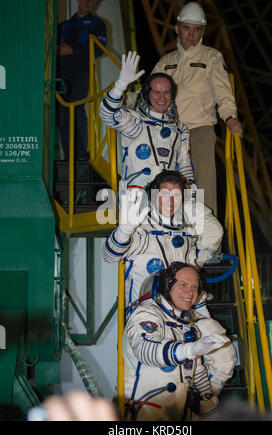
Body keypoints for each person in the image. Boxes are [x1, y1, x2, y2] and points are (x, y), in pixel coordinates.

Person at [152, 2, 243, 214]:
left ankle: (207, 240)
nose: (191, 34)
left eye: (196, 29)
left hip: (199, 129)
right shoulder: (165, 62)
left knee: (203, 187)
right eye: (186, 28)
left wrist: (229, 117)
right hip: (169, 132)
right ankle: (168, 234)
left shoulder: (212, 57)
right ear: (177, 28)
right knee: (166, 184)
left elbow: (223, 92)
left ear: (202, 31)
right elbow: (149, 94)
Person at [122, 263, 237, 421]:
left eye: (194, 287)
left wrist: (209, 408)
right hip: (144, 411)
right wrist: (189, 350)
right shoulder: (146, 313)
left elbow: (196, 371)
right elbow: (145, 348)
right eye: (183, 284)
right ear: (166, 285)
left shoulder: (187, 324)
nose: (190, 292)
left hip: (178, 411)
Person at [103, 170, 223, 318]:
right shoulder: (141, 229)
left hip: (183, 316)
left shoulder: (188, 233)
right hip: (146, 317)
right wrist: (124, 231)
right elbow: (109, 257)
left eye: (176, 195)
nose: (170, 201)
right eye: (164, 194)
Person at [99, 51, 194, 189]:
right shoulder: (136, 122)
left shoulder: (180, 129)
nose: (162, 98)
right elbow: (108, 114)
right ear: (146, 94)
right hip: (137, 194)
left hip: (169, 198)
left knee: (201, 210)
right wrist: (120, 86)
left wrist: (191, 196)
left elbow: (184, 166)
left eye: (166, 92)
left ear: (172, 95)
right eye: (156, 92)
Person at [57, 0, 107, 161]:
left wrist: (72, 50)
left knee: (76, 109)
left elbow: (99, 49)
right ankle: (69, 156)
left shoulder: (97, 24)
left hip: (81, 72)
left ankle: (80, 154)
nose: (87, 2)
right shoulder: (63, 25)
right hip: (61, 72)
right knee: (63, 113)